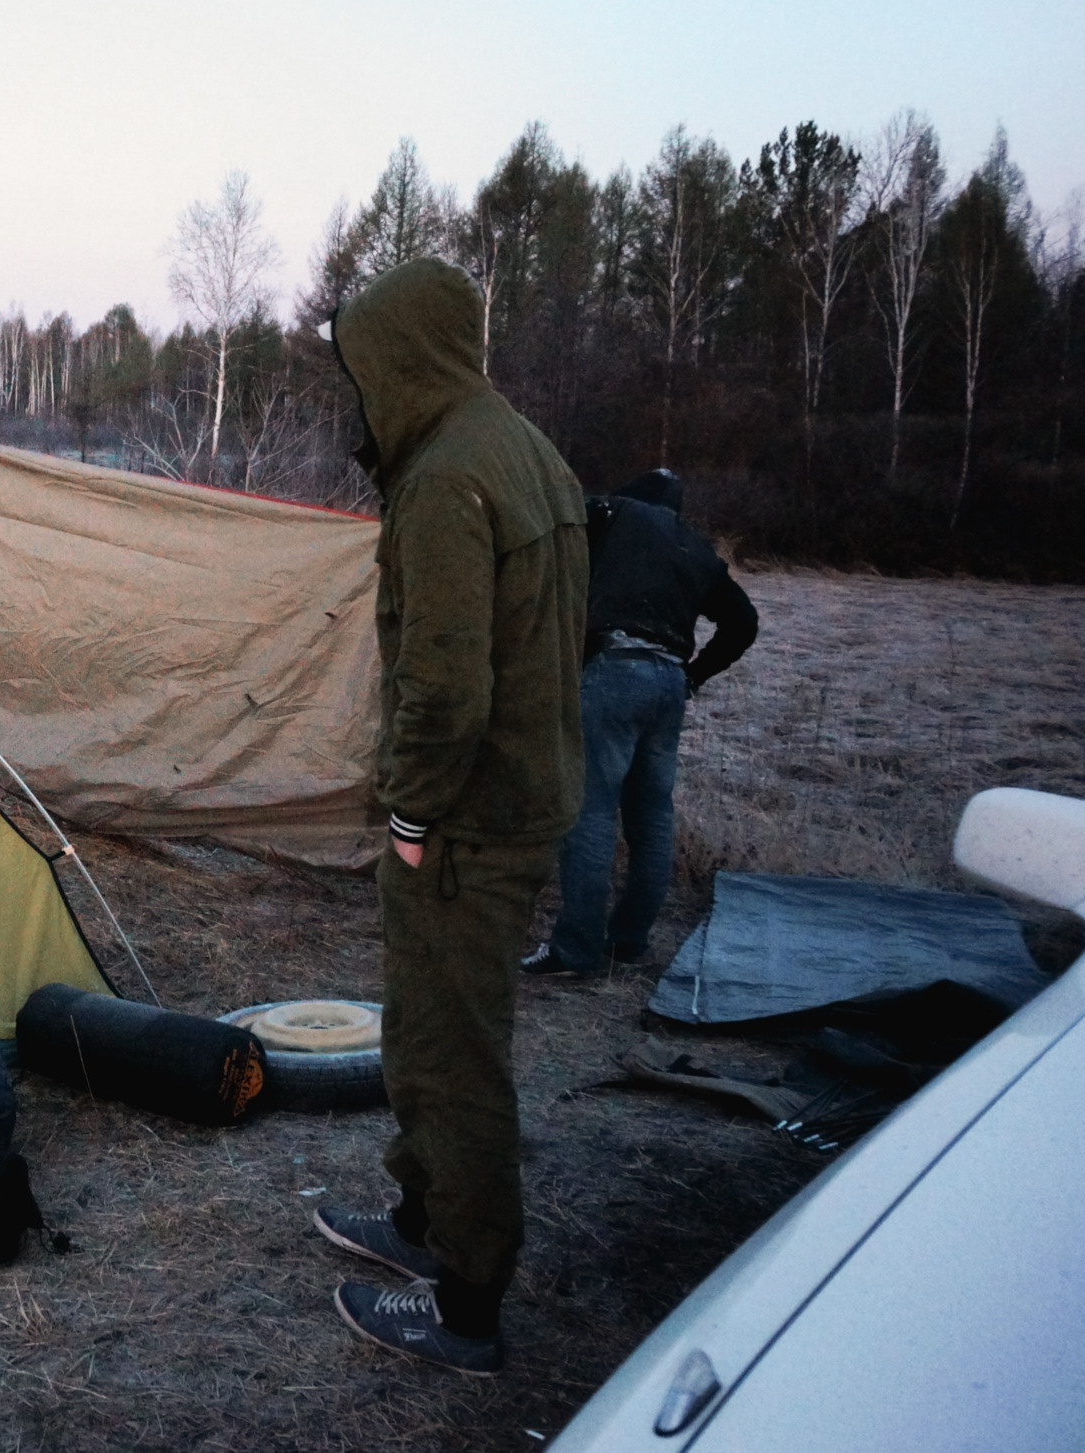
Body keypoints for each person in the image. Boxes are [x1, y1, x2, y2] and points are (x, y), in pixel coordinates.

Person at [312, 257, 588, 1376]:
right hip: (518, 801)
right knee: (426, 1034)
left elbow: (445, 685)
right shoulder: (520, 447)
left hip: (469, 823)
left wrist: (414, 811)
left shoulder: (443, 481)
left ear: (400, 358)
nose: (359, 396)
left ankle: (468, 1301)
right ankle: (423, 1227)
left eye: (363, 369)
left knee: (455, 1054)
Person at [521, 468, 758, 975]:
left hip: (614, 672)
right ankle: (627, 942)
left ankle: (574, 952)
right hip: (669, 686)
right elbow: (744, 623)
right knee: (652, 817)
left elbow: (548, 518)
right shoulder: (698, 550)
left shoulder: (612, 512)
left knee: (590, 812)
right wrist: (695, 676)